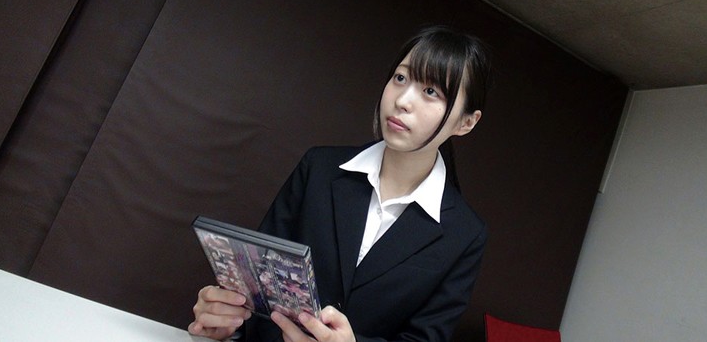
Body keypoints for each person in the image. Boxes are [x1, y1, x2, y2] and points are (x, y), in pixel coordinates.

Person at [189, 25, 492, 341]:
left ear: (466, 122)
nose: (403, 100)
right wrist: (226, 324)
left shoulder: (464, 234)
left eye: (431, 92)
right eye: (401, 78)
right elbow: (259, 282)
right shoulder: (319, 168)